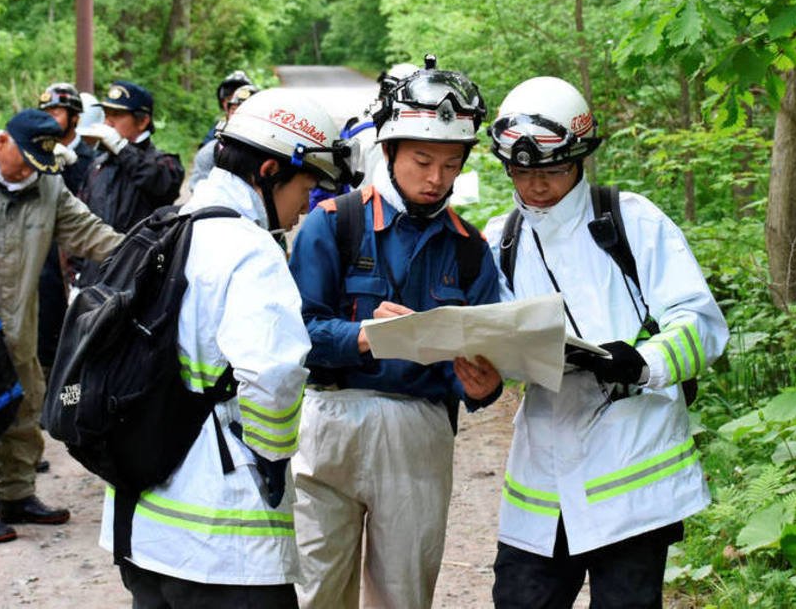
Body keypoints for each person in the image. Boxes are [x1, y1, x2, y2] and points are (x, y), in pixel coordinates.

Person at [483, 77, 729, 608]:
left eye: (550, 171)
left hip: (633, 479)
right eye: (521, 172)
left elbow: (701, 324)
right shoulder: (500, 239)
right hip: (542, 483)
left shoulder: (631, 221)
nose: (536, 187)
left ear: (580, 159)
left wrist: (643, 363)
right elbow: (496, 342)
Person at [100, 87, 349, 608]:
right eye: (307, 184)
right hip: (224, 537)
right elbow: (275, 380)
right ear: (269, 172)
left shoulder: (168, 227)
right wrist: (272, 461)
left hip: (139, 525)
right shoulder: (251, 250)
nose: (309, 203)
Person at [289, 59, 503, 609]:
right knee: (314, 592)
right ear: (387, 151)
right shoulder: (333, 223)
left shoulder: (471, 250)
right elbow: (295, 336)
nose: (436, 178)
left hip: (419, 431)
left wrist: (483, 389)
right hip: (329, 423)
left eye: (451, 164)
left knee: (405, 594)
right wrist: (362, 335)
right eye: (423, 160)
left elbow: (486, 356)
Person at [0, 109, 123, 544]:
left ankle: (18, 495)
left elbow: (87, 231)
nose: (26, 171)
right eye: (22, 160)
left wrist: (144, 252)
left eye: (36, 166)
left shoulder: (47, 187)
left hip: (20, 321)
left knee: (25, 404)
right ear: (1, 141)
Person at [76, 80, 183, 286]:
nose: (108, 122)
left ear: (142, 121)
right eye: (107, 114)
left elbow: (161, 184)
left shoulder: (164, 163)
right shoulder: (98, 165)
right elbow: (80, 219)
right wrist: (76, 276)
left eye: (117, 115)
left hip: (136, 280)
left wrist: (122, 148)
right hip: (93, 279)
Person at [36, 83, 99, 381]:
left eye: (56, 111)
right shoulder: (34, 155)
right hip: (42, 252)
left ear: (75, 117)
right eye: (45, 111)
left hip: (79, 254)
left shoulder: (90, 160)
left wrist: (68, 168)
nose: (50, 117)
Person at [188, 83, 258, 192]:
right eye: (234, 111)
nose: (239, 118)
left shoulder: (272, 156)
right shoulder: (210, 152)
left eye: (247, 112)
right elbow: (199, 192)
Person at [200, 69, 253, 147]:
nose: (234, 104)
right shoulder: (217, 130)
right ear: (223, 103)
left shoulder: (258, 128)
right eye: (229, 99)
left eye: (240, 101)